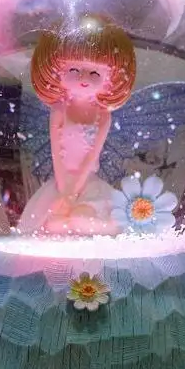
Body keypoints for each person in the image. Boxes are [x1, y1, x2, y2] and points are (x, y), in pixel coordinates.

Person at [17, 16, 136, 235]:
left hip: (87, 180)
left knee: (83, 218)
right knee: (51, 225)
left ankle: (96, 224)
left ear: (110, 78)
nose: (84, 78)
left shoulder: (103, 115)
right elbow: (56, 152)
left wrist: (75, 190)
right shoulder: (59, 110)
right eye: (73, 70)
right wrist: (65, 189)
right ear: (57, 71)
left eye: (95, 73)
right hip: (61, 181)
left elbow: (92, 155)